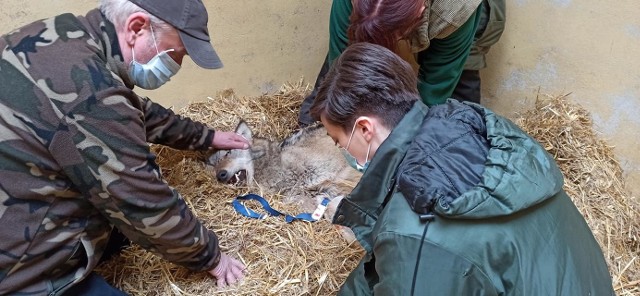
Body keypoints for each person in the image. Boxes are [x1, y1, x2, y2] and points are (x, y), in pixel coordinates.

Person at [309, 42, 614, 295]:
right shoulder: (468, 131)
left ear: (364, 129)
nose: (342, 150)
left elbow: (417, 253)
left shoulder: (412, 230)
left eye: (338, 141)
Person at [0, 0, 250, 294]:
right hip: (15, 271)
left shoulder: (59, 34)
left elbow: (128, 109)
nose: (175, 67)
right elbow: (141, 201)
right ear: (137, 28)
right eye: (175, 54)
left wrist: (205, 136)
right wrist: (212, 257)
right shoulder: (93, 97)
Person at [298, 0, 506, 127]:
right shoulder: (351, 4)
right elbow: (341, 56)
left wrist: (398, 136)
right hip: (371, 15)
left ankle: (460, 148)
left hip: (456, 13)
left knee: (460, 82)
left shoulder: (456, 9)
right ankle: (310, 126)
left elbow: (437, 84)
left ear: (420, 12)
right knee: (348, 57)